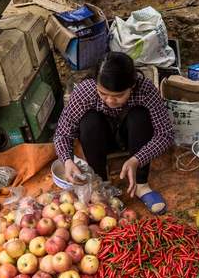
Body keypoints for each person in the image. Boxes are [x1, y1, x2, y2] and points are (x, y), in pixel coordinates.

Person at [54, 52, 175, 214]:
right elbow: (62, 133)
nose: (110, 101)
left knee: (139, 116)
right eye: (103, 94)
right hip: (101, 140)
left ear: (131, 87)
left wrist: (137, 159)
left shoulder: (145, 90)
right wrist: (67, 161)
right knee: (89, 121)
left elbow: (165, 134)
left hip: (132, 140)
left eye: (119, 96)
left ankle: (141, 185)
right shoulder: (85, 91)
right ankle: (102, 184)